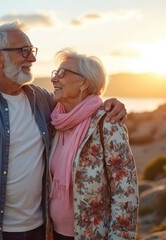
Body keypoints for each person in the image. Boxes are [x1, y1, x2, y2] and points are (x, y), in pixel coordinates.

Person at [0, 21, 127, 240]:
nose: (32, 58)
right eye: (24, 51)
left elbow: (79, 105)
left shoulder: (41, 100)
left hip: (41, 228)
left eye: (32, 51)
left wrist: (112, 103)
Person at [48, 48, 139, 240]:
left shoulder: (107, 123)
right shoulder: (55, 121)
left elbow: (125, 192)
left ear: (84, 82)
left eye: (62, 74)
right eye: (55, 73)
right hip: (53, 234)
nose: (54, 79)